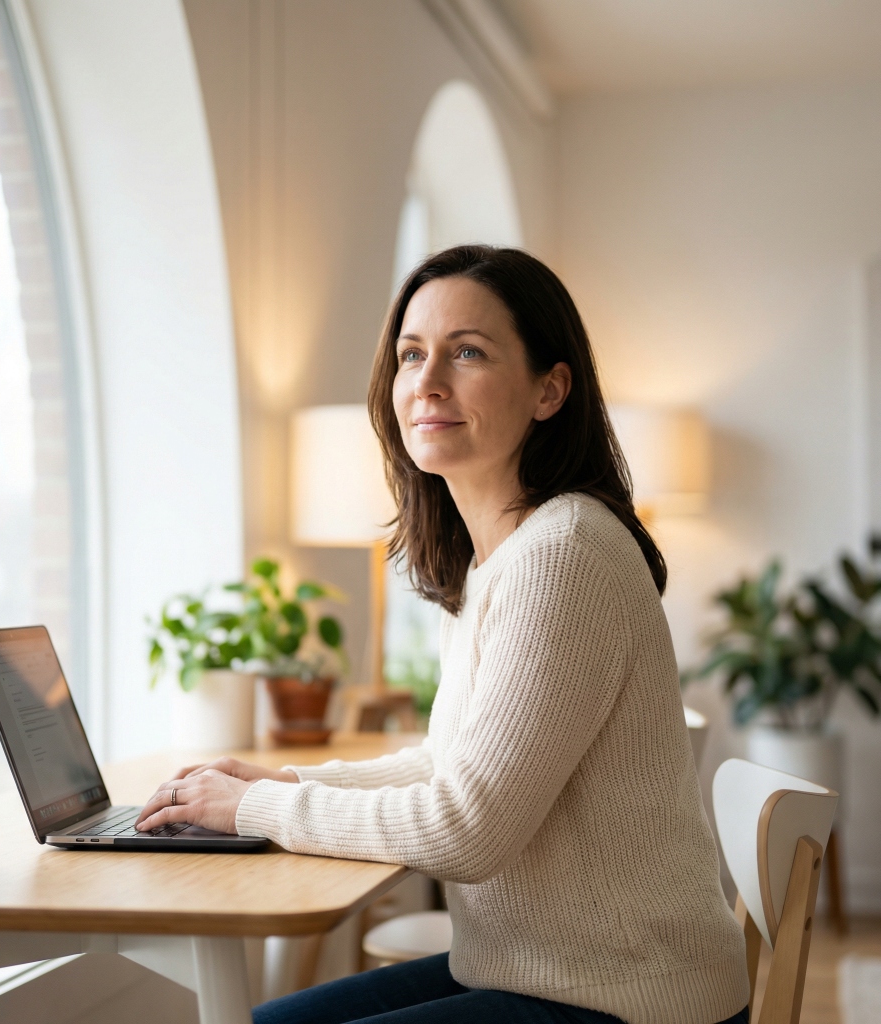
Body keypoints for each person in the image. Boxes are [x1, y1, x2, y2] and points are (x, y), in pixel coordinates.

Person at [135, 246, 750, 1024]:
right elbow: (449, 768)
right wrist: (282, 785)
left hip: (628, 1001)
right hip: (541, 975)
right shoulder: (501, 558)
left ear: (549, 391)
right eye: (411, 354)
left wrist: (253, 810)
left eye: (467, 353)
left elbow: (465, 829)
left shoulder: (564, 555)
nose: (427, 383)